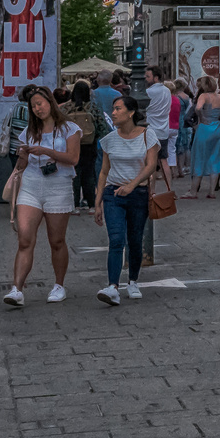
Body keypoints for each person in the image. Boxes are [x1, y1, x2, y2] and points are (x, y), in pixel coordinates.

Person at [5, 87, 82, 307]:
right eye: (33, 106)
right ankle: (16, 289)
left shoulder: (69, 128)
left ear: (51, 102)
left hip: (58, 186)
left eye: (40, 103)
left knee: (56, 240)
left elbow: (73, 158)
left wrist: (47, 152)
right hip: (31, 184)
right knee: (25, 238)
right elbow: (22, 164)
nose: (38, 109)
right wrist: (22, 155)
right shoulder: (30, 130)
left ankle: (59, 285)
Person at [94, 95, 160, 306]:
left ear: (131, 112)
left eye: (118, 109)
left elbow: (151, 166)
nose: (113, 113)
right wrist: (97, 202)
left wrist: (132, 184)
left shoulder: (148, 136)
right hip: (113, 194)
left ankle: (133, 281)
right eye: (113, 109)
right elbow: (104, 172)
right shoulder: (108, 140)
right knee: (116, 240)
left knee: (135, 239)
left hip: (138, 194)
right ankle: (113, 286)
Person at [188, 76, 220, 199]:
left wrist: (202, 117)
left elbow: (198, 108)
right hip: (217, 127)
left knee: (199, 157)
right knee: (215, 158)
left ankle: (193, 191)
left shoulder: (204, 96)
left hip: (204, 128)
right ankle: (212, 191)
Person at [63, 80, 106, 211]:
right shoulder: (92, 107)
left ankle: (74, 204)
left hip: (71, 145)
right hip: (89, 144)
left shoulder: (66, 108)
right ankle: (91, 204)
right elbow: (102, 126)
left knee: (74, 174)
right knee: (89, 174)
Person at [143, 67, 175, 197]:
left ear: (155, 77)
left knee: (151, 162)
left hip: (151, 129)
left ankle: (152, 190)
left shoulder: (148, 92)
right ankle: (169, 190)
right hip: (163, 129)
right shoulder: (167, 91)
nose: (146, 78)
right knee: (163, 161)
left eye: (148, 76)